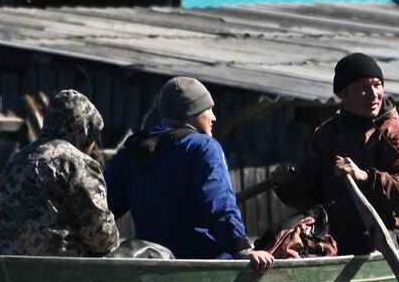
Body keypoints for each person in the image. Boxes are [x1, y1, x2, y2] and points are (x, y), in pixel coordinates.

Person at [106, 77, 275, 270]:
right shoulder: (204, 147)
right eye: (208, 109)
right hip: (204, 262)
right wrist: (242, 248)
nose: (214, 117)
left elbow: (103, 204)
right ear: (193, 112)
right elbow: (220, 204)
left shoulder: (132, 151)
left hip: (151, 263)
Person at [271, 52, 399, 253]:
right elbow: (311, 194)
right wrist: (289, 183)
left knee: (362, 244)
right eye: (362, 88)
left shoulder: (396, 133)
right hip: (336, 232)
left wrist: (366, 177)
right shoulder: (327, 134)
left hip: (392, 231)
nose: (373, 94)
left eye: (377, 85)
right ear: (342, 94)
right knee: (278, 239)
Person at [0, 89, 120, 258]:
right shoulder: (78, 164)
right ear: (85, 132)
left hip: (2, 268)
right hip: (54, 272)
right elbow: (101, 239)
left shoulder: (16, 160)